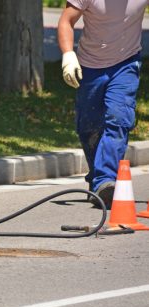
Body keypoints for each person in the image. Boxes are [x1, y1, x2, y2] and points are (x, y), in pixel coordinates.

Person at [58, 0, 148, 209]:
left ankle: (105, 180)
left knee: (119, 119)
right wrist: (68, 55)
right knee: (88, 127)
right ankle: (98, 179)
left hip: (126, 63)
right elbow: (66, 20)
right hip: (90, 65)